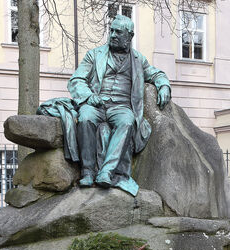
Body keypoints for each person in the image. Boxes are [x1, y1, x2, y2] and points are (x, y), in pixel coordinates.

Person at [68, 15, 171, 196]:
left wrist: (164, 85)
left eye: (118, 32)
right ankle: (87, 171)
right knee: (85, 118)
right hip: (96, 103)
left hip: (121, 107)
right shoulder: (95, 55)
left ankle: (106, 172)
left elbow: (156, 74)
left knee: (127, 121)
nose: (113, 35)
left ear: (129, 36)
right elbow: (77, 80)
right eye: (112, 30)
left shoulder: (138, 59)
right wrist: (89, 96)